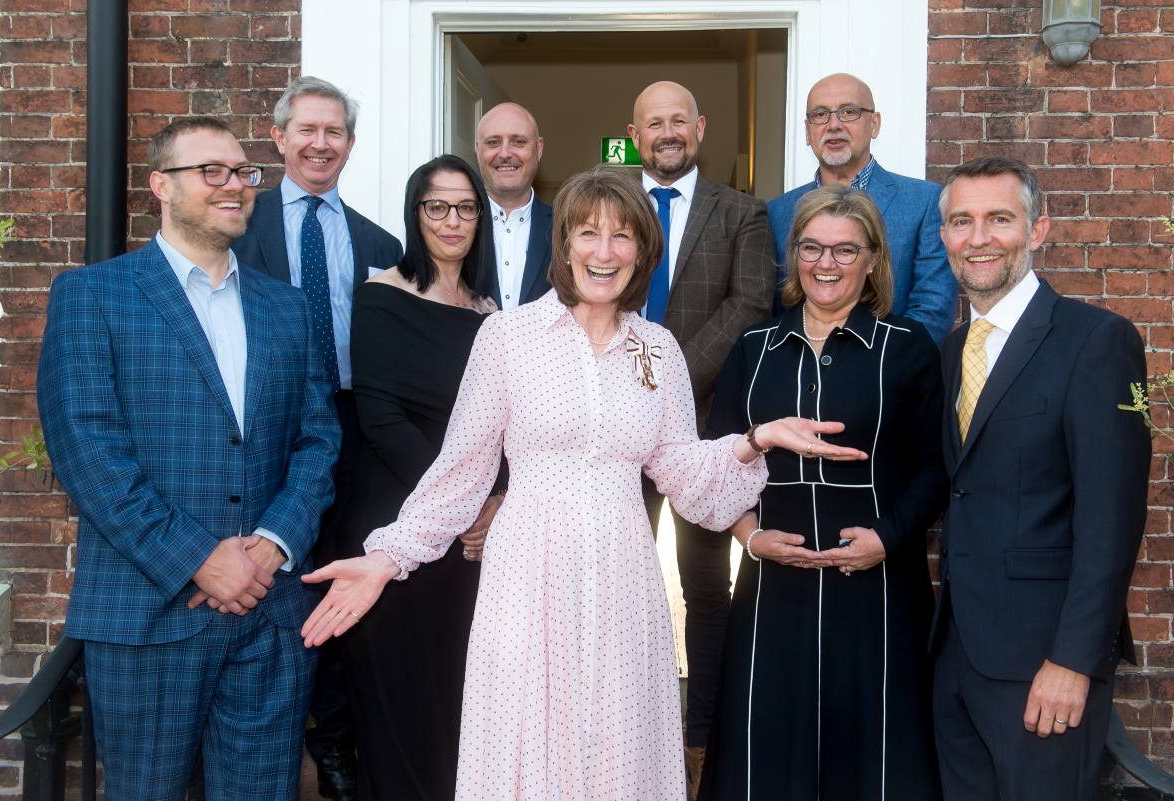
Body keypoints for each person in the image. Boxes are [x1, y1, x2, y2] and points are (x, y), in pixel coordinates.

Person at [299, 165, 866, 801]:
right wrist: (387, 558)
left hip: (625, 580)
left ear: (642, 251)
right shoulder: (507, 337)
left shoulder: (659, 350)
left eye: (622, 237)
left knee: (618, 750)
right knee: (528, 745)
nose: (604, 252)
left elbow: (681, 473)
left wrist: (754, 439)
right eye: (588, 234)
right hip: (526, 580)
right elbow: (462, 468)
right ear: (563, 245)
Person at [36, 117, 340, 801]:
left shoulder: (287, 309)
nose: (236, 185)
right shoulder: (93, 296)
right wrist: (200, 558)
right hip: (147, 615)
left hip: (269, 613)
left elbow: (319, 440)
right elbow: (88, 453)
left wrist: (269, 547)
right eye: (214, 171)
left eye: (243, 173)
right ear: (160, 187)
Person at [700, 185, 947, 801]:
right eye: (811, 247)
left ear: (872, 261)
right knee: (767, 752)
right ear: (794, 256)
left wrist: (886, 540)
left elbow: (938, 469)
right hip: (773, 587)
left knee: (876, 758)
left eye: (844, 250)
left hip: (879, 587)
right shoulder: (753, 350)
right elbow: (711, 464)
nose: (826, 264)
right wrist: (750, 537)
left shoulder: (908, 348)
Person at [930, 157, 1151, 801]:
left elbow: (1111, 519)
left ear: (1038, 230)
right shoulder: (952, 353)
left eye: (1000, 219)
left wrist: (1074, 661)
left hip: (1044, 663)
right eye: (961, 221)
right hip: (957, 656)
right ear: (943, 236)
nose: (978, 238)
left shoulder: (1096, 341)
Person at [231, 75, 402, 801]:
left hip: (356, 431)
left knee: (340, 577)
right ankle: (267, 734)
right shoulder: (239, 225)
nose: (320, 143)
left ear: (351, 145)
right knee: (271, 581)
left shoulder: (382, 242)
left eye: (335, 132)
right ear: (278, 138)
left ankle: (331, 735)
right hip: (264, 432)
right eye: (307, 129)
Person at [626, 80, 777, 791]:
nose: (666, 132)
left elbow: (751, 302)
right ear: (634, 131)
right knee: (618, 582)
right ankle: (626, 719)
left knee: (707, 587)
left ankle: (703, 733)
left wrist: (663, 377)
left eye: (677, 120)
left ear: (700, 127)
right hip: (616, 436)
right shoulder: (611, 209)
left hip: (706, 426)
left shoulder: (742, 213)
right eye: (653, 122)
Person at [337, 154, 499, 800]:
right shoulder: (380, 297)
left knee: (460, 707)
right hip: (397, 524)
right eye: (437, 206)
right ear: (415, 213)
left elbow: (503, 428)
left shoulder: (492, 312)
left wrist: (494, 502)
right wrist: (460, 504)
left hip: (473, 546)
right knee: (402, 708)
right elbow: (380, 418)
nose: (452, 220)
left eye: (465, 207)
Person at [768, 72, 956, 345]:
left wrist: (878, 368)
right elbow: (777, 311)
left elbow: (933, 309)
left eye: (849, 112)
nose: (833, 125)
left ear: (875, 124)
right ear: (808, 131)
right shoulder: (777, 213)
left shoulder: (925, 202)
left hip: (890, 377)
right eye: (820, 115)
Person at [474, 101, 553, 309]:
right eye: (493, 142)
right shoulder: (454, 226)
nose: (505, 153)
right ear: (477, 149)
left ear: (539, 149)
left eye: (518, 142)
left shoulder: (567, 227)